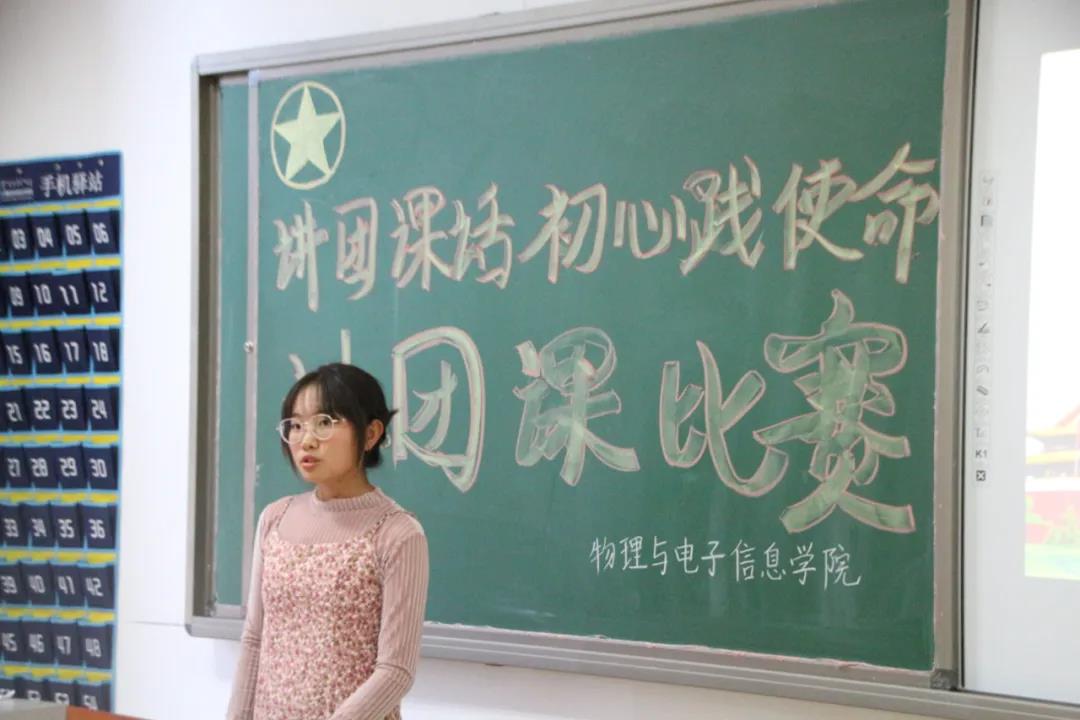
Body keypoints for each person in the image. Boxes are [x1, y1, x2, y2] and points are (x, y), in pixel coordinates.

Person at [227, 363, 429, 720]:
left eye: (324, 423)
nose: (306, 439)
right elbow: (255, 639)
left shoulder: (398, 533)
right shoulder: (274, 518)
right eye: (295, 425)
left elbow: (396, 672)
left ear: (370, 434)